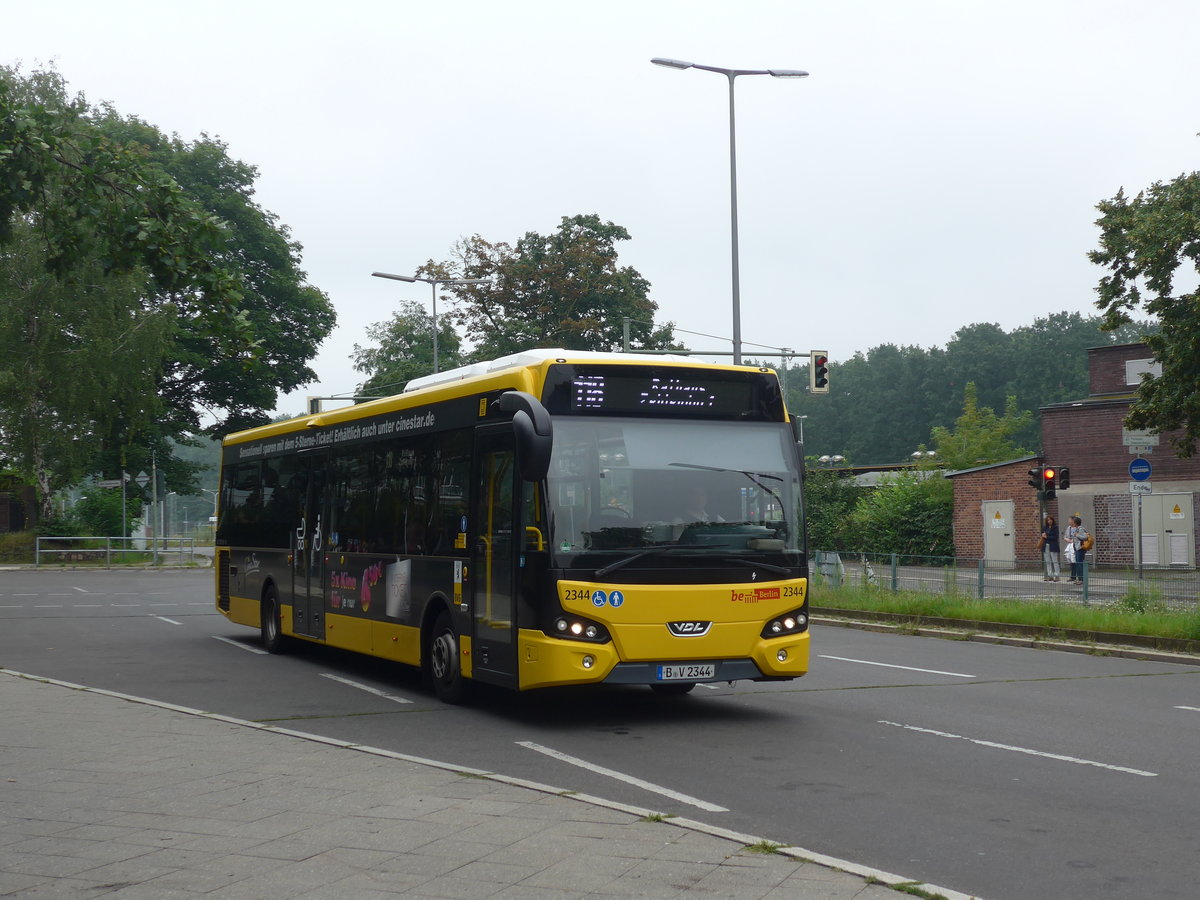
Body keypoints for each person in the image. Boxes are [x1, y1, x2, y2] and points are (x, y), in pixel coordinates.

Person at [1068, 515, 1089, 584]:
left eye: (1073, 522)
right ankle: (1080, 579)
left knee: (1079, 564)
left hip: (1080, 548)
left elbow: (1085, 537)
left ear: (1075, 523)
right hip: (1077, 548)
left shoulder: (1080, 529)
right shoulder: (1077, 529)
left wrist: (1077, 535)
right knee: (1078, 563)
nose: (1072, 523)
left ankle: (1081, 579)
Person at [1040, 515, 1061, 582]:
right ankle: (1050, 575)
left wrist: (1047, 537)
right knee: (1048, 561)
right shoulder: (1044, 527)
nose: (1049, 521)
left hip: (1053, 545)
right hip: (1045, 545)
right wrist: (1043, 535)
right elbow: (1042, 534)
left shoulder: (1055, 527)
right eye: (1048, 520)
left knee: (1055, 561)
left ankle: (1057, 575)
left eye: (1050, 520)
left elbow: (1056, 537)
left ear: (1053, 520)